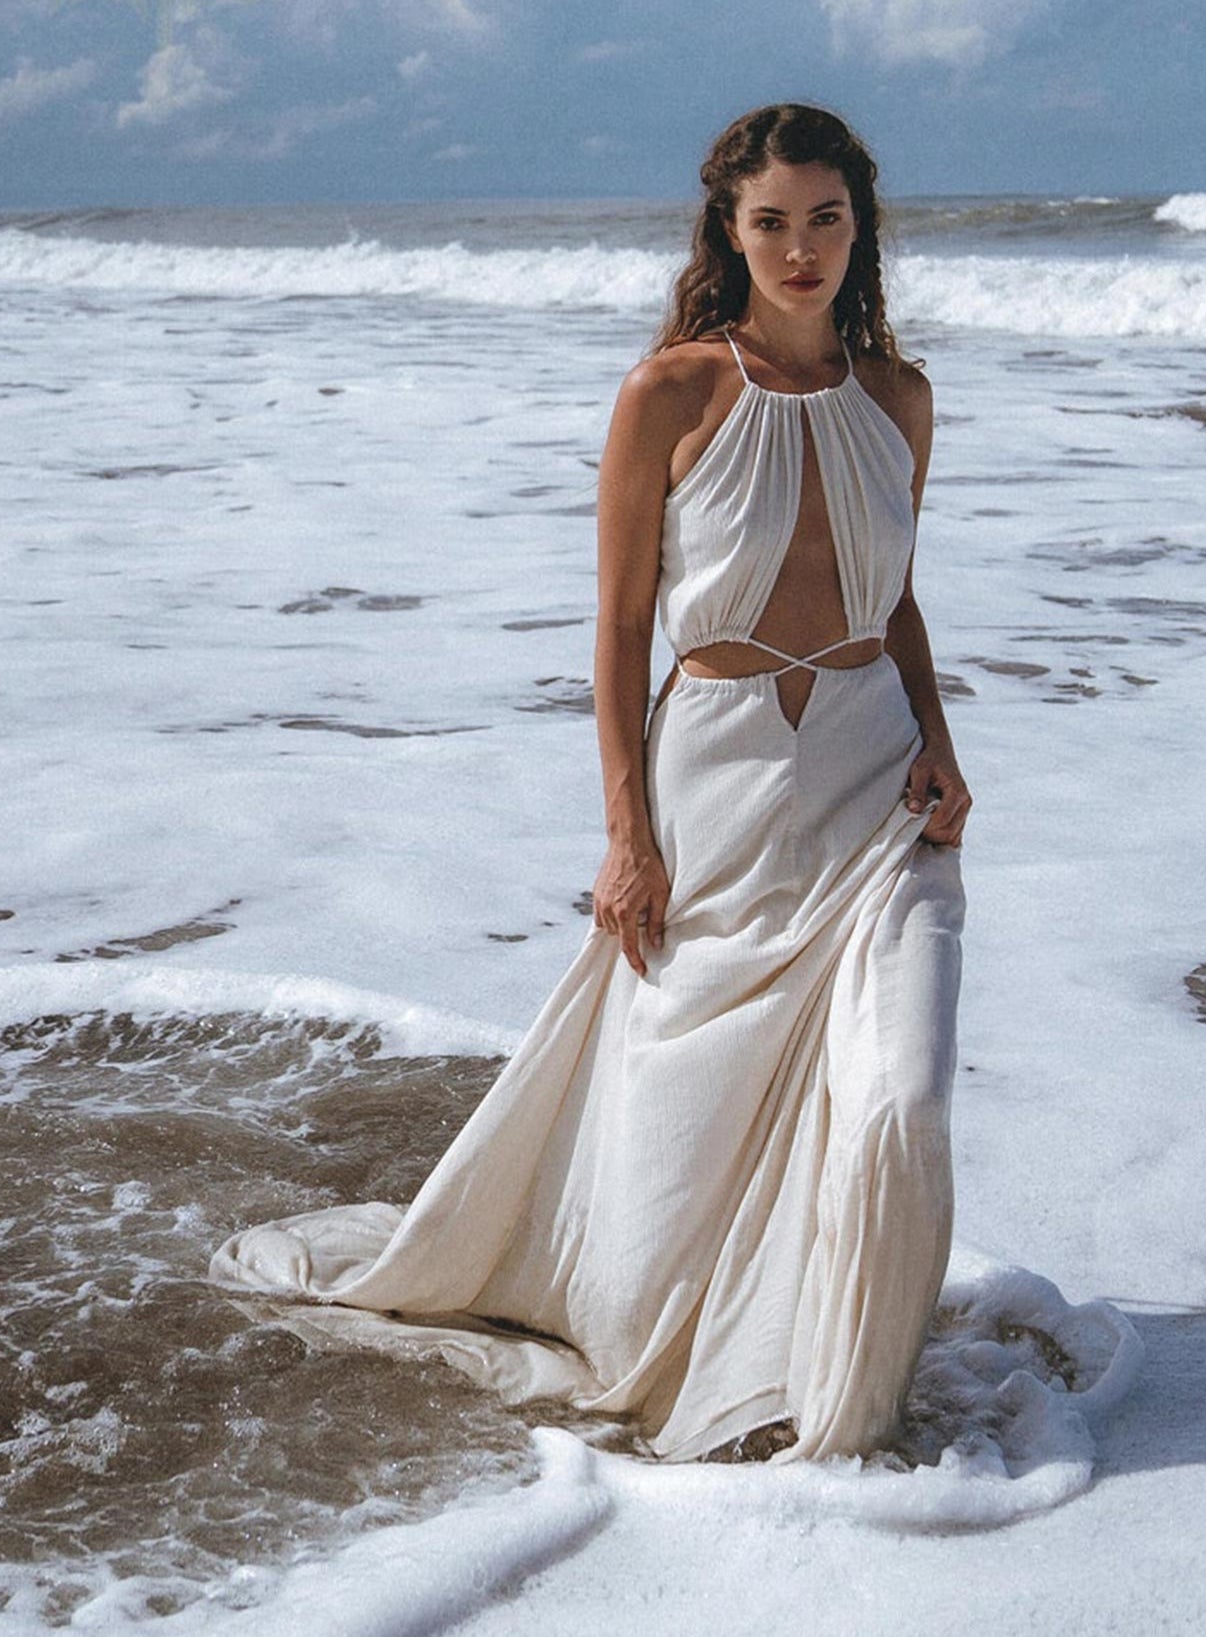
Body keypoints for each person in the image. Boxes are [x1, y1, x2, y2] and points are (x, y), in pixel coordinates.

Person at [212, 103, 971, 1466]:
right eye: (771, 221)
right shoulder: (670, 392)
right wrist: (627, 833)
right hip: (718, 785)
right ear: (727, 231)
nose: (801, 249)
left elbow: (897, 592)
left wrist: (943, 743)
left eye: (826, 218)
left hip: (875, 786)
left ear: (862, 226)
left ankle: (853, 1401)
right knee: (685, 1133)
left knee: (898, 1096)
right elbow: (621, 627)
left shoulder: (899, 399)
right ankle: (723, 1347)